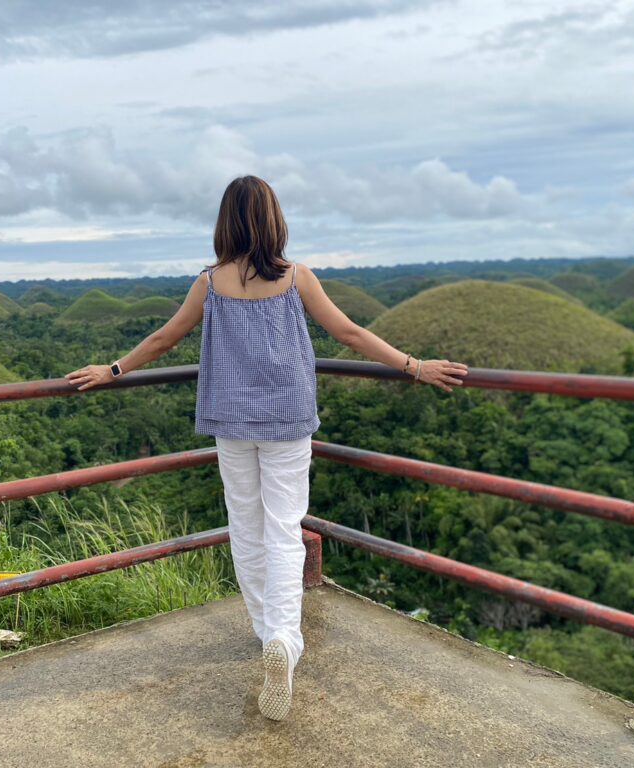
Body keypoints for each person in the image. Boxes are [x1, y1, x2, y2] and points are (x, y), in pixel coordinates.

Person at [66, 175, 469, 722]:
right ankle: (283, 640)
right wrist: (414, 366)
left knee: (246, 526)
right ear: (275, 219)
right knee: (284, 529)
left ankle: (267, 634)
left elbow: (166, 337)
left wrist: (113, 370)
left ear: (225, 222)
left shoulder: (209, 282)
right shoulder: (297, 277)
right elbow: (348, 333)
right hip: (287, 419)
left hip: (232, 421)